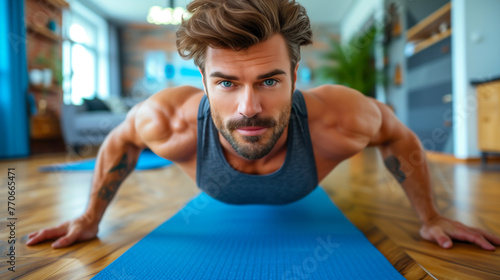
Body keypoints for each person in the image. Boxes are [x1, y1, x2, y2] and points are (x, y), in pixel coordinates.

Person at [27, 0, 500, 251]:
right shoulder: (168, 119)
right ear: (204, 83)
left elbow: (399, 135)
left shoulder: (339, 117)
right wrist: (89, 219)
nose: (248, 106)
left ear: (297, 75)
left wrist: (431, 218)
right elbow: (119, 140)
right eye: (227, 83)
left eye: (270, 80)